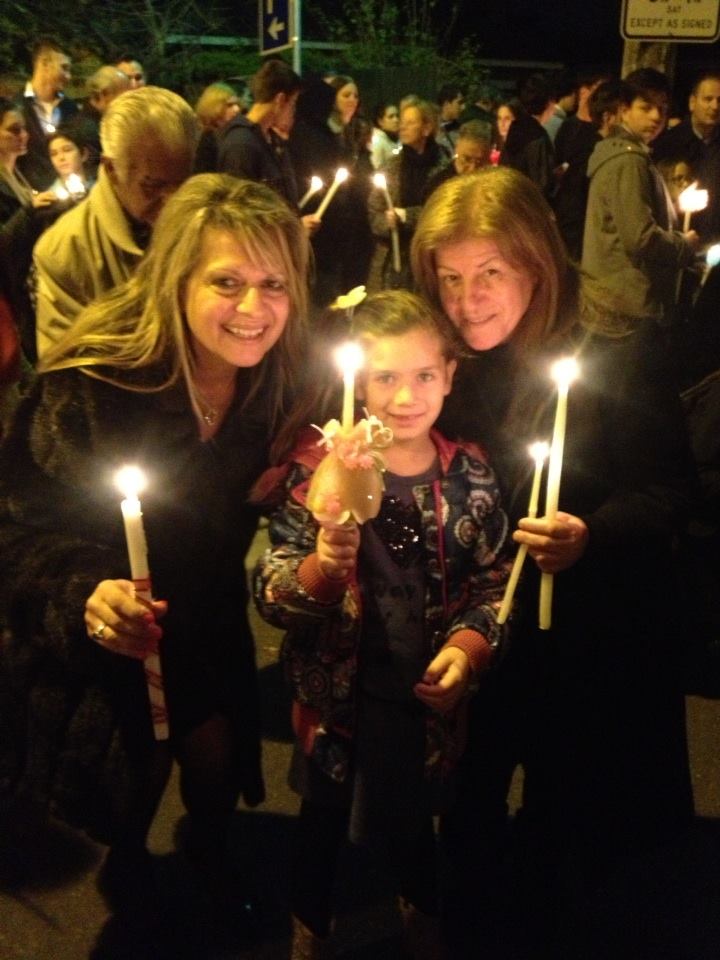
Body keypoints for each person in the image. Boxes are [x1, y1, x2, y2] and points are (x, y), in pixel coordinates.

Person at [0, 174, 310, 931]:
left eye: (274, 283)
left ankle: (208, 857)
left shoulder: (277, 377)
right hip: (113, 628)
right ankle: (135, 875)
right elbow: (15, 531)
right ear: (176, 277)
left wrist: (298, 478)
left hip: (206, 611)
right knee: (133, 778)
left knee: (213, 755)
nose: (253, 307)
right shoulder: (94, 383)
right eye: (226, 281)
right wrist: (86, 594)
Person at [411, 167, 696, 958]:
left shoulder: (616, 350)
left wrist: (589, 533)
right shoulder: (443, 361)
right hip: (474, 627)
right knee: (465, 800)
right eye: (450, 278)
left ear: (536, 263)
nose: (468, 300)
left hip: (579, 633)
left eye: (489, 273)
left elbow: (670, 491)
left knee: (559, 817)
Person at [253, 289, 510, 959]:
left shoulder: (472, 478)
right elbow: (272, 590)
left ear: (450, 375)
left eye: (424, 375)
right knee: (320, 821)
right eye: (385, 376)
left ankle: (422, 912)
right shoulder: (317, 476)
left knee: (414, 820)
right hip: (336, 697)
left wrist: (470, 647)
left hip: (422, 698)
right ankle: (311, 925)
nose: (405, 396)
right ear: (357, 384)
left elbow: (494, 583)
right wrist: (319, 568)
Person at [34, 85, 198, 359]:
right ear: (111, 168)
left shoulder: (208, 221)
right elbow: (63, 366)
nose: (172, 202)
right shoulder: (64, 251)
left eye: (182, 183)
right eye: (152, 185)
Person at [582, 68, 699, 325]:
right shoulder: (629, 161)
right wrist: (684, 245)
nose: (656, 116)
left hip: (614, 297)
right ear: (624, 110)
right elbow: (640, 237)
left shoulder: (622, 154)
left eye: (662, 108)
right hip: (627, 303)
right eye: (646, 107)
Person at [0, 99, 59, 377]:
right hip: (11, 293)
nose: (24, 135)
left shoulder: (17, 174)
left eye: (24, 129)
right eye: (14, 130)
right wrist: (29, 212)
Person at [367, 99, 445, 290]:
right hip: (393, 263)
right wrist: (387, 222)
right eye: (402, 121)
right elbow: (374, 210)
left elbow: (441, 213)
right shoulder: (391, 167)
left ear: (426, 128)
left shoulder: (443, 169)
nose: (402, 127)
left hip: (428, 261)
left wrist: (405, 216)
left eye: (410, 122)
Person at [216, 59, 302, 206]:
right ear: (280, 100)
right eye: (293, 103)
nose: (293, 112)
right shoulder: (241, 145)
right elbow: (240, 208)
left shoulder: (270, 138)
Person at [653, 70, 720, 240]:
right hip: (679, 237)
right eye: (708, 99)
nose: (715, 106)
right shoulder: (669, 143)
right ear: (692, 102)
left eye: (719, 100)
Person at [16, 39, 78, 190]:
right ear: (44, 64)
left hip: (71, 195)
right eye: (64, 68)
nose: (68, 76)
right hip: (34, 197)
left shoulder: (70, 108)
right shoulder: (15, 108)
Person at [424, 119, 492, 197]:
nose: (472, 168)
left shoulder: (493, 186)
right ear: (457, 148)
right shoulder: (438, 186)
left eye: (480, 162)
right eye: (467, 159)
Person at [193, 81, 243, 173]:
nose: (237, 109)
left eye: (237, 104)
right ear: (214, 107)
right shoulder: (209, 139)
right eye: (229, 105)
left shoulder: (236, 132)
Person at [370, 100, 400, 170]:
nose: (396, 120)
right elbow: (376, 170)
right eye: (391, 117)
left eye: (397, 116)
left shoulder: (397, 138)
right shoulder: (377, 142)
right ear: (380, 121)